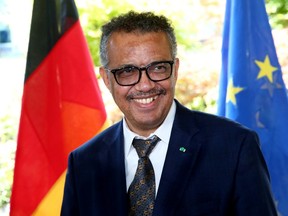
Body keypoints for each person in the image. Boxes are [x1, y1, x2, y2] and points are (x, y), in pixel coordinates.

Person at [61, 11, 277, 216]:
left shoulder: (234, 145)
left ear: (174, 69)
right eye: (127, 71)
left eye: (158, 68)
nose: (145, 85)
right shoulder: (84, 163)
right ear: (106, 79)